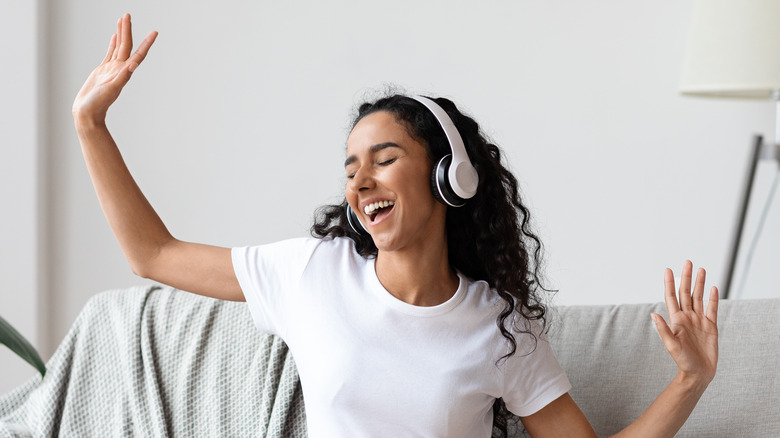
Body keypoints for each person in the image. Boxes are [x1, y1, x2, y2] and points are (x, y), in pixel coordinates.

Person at [71, 14, 719, 438]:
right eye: (351, 167)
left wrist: (690, 380)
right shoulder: (310, 272)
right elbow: (152, 254)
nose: (359, 182)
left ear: (449, 178)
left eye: (385, 160)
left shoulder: (498, 325)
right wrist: (91, 126)